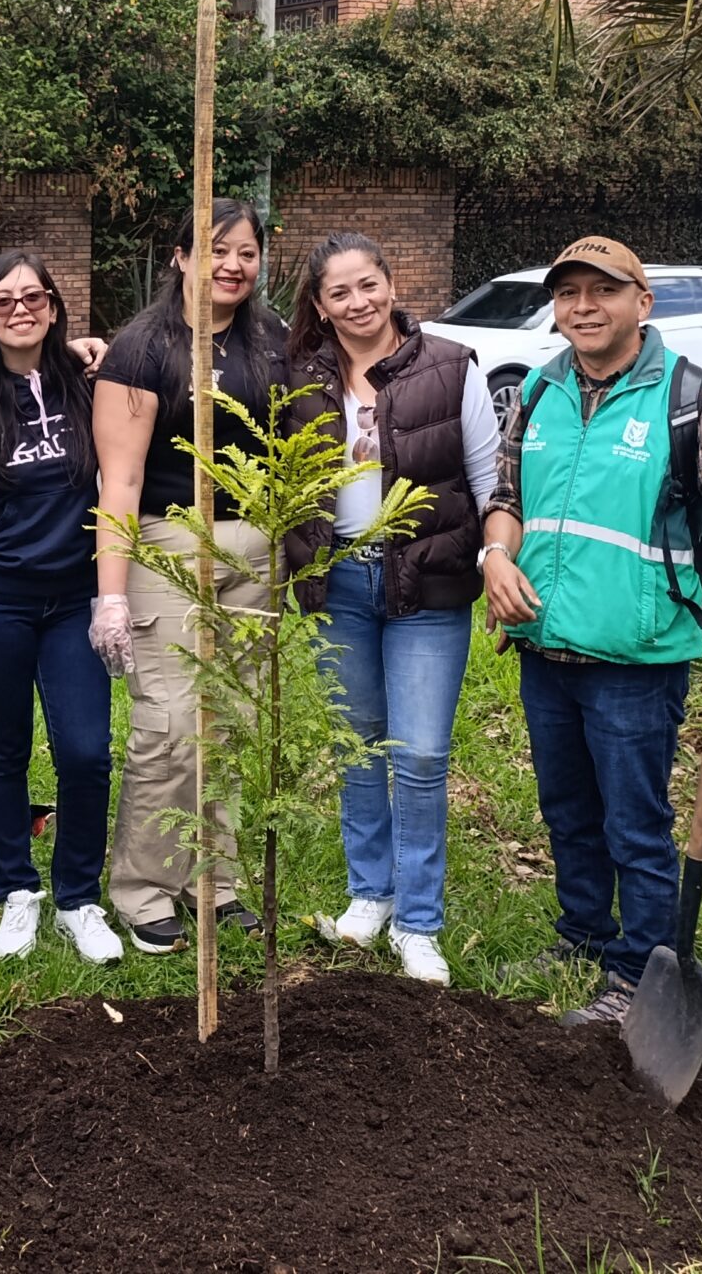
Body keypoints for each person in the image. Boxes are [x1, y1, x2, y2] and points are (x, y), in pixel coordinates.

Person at [479, 236, 702, 1028]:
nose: (583, 307)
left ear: (641, 305)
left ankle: (640, 968)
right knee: (567, 809)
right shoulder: (541, 391)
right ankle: (582, 934)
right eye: (569, 293)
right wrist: (496, 558)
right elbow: (506, 496)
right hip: (546, 646)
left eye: (602, 292)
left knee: (634, 822)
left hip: (637, 657)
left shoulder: (690, 398)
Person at [284, 232, 498, 986]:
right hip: (339, 584)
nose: (358, 302)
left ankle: (418, 922)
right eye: (338, 292)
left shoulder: (448, 366)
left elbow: (487, 482)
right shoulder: (300, 375)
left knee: (420, 753)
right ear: (319, 305)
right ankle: (369, 895)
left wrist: (491, 559)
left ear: (390, 282)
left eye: (368, 284)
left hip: (426, 588)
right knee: (360, 746)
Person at [91, 198, 289, 955]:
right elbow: (121, 479)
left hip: (254, 549)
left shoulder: (269, 344)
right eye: (217, 248)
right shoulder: (142, 349)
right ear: (180, 256)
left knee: (230, 723)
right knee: (169, 726)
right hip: (169, 544)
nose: (235, 265)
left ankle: (218, 879)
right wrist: (112, 593)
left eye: (247, 251)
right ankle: (144, 888)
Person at [0, 250, 121, 965]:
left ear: (54, 305)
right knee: (1, 750)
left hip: (73, 600)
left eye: (32, 297)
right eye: (1, 301)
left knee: (86, 750)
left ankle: (78, 897)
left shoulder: (86, 383)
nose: (19, 310)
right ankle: (15, 891)